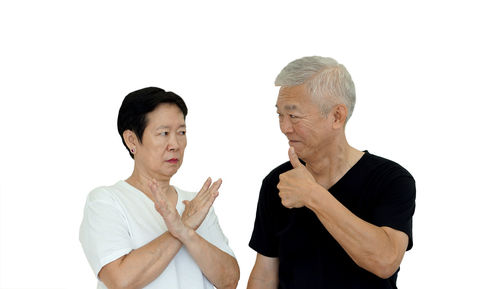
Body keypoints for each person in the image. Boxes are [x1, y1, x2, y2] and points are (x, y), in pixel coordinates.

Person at [247, 56, 416, 289]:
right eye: (280, 115)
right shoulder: (277, 183)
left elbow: (385, 261)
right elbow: (264, 275)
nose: (284, 128)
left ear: (337, 116)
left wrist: (312, 195)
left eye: (294, 116)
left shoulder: (390, 180)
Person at [79, 87, 239, 289]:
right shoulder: (106, 201)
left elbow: (230, 280)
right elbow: (120, 281)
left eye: (181, 132)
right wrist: (182, 228)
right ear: (131, 140)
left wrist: (186, 231)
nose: (175, 144)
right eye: (164, 133)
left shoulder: (196, 204)